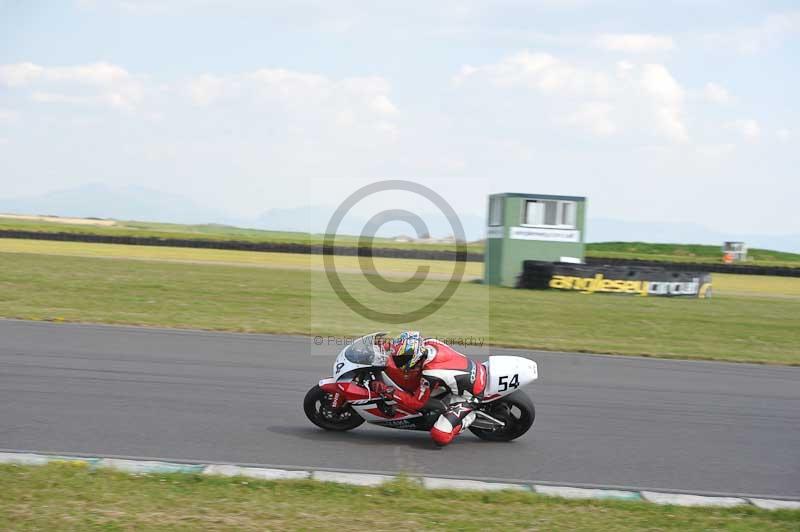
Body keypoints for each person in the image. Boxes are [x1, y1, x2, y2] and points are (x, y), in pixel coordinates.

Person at [370, 331, 487, 446]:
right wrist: (379, 346)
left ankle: (469, 416)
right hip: (470, 372)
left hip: (471, 395)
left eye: (401, 359)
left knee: (440, 436)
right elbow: (400, 348)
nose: (398, 361)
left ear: (414, 358)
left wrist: (387, 391)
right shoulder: (429, 343)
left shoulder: (431, 373)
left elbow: (416, 403)